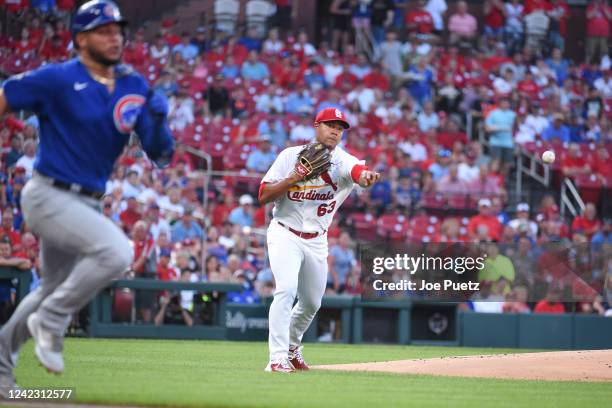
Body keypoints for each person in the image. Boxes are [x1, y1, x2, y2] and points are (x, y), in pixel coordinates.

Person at [0, 0, 174, 393]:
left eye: (117, 30)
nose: (114, 37)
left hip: (89, 201)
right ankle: (51, 322)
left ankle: (1, 365)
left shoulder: (133, 85)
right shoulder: (58, 78)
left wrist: (159, 122)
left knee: (48, 288)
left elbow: (161, 155)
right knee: (117, 253)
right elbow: (6, 97)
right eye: (103, 30)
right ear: (80, 39)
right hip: (47, 195)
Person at [259, 107, 380, 372]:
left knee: (312, 302)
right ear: (316, 126)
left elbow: (359, 171)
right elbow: (264, 195)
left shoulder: (344, 161)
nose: (335, 130)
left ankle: (292, 348)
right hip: (284, 232)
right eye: (330, 124)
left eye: (340, 127)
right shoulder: (290, 156)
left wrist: (366, 177)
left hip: (317, 239)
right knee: (286, 290)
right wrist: (295, 177)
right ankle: (276, 359)